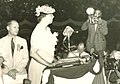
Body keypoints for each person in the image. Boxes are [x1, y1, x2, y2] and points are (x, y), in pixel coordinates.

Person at [28, 4, 58, 84]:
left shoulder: (47, 30)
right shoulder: (38, 31)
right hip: (38, 67)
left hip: (46, 66)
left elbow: (45, 49)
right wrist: (48, 64)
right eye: (51, 15)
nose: (53, 17)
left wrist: (54, 59)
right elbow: (32, 53)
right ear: (44, 16)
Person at [81, 8, 108, 84]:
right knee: (91, 64)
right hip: (91, 45)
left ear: (101, 15)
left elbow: (105, 32)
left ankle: (101, 81)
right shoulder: (90, 21)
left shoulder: (104, 22)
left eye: (98, 13)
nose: (96, 15)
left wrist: (98, 23)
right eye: (95, 13)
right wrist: (88, 21)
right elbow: (83, 28)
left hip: (100, 46)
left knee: (100, 64)